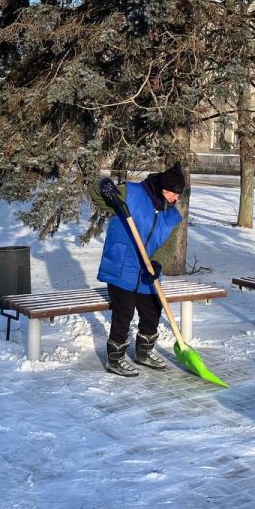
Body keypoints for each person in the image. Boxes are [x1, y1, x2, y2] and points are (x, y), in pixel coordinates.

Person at [90, 162, 187, 377]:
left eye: (179, 195)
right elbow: (97, 197)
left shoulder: (171, 216)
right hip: (121, 267)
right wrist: (103, 186)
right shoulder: (131, 194)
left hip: (148, 271)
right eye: (174, 193)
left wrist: (158, 263)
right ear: (163, 188)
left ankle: (144, 353)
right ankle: (114, 359)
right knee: (124, 312)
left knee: (152, 310)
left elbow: (168, 245)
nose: (176, 199)